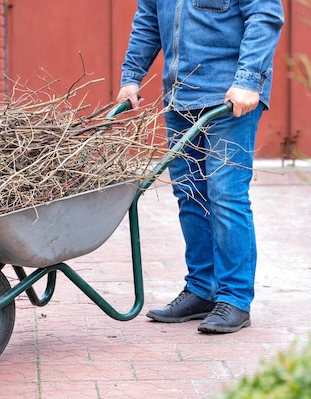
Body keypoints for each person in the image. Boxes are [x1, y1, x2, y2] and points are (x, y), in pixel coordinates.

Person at [116, 0, 284, 333]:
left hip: (228, 99)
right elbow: (149, 18)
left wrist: (249, 80)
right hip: (179, 98)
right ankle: (202, 289)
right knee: (190, 195)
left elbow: (264, 16)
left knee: (226, 195)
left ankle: (235, 298)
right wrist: (132, 76)